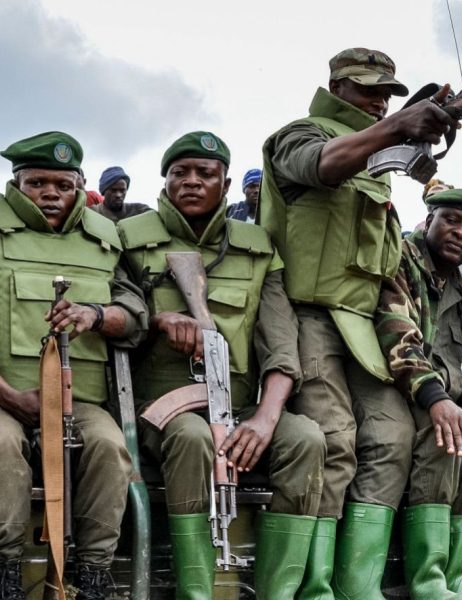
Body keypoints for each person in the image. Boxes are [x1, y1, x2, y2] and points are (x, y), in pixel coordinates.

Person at [259, 47, 457, 597]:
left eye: (387, 94)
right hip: (304, 314)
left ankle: (357, 585)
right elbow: (321, 166)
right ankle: (312, 588)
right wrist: (398, 125)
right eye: (368, 89)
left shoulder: (378, 152)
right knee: (334, 440)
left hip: (364, 323)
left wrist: (420, 131)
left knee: (394, 436)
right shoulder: (299, 134)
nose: (378, 101)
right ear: (337, 87)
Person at [117, 132, 325, 598]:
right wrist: (158, 321)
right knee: (192, 437)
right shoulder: (130, 239)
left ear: (226, 184)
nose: (191, 182)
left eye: (205, 174)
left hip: (238, 406)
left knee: (306, 439)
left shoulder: (257, 247)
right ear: (165, 180)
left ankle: (277, 592)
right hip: (160, 411)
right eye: (180, 173)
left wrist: (266, 419)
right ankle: (196, 591)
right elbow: (116, 314)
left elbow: (281, 343)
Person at [0, 132, 145, 600]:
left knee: (110, 447)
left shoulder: (105, 238)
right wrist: (9, 397)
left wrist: (95, 315)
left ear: (79, 185)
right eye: (37, 183)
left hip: (81, 401)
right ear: (16, 184)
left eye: (63, 185)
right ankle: (5, 575)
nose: (50, 194)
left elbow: (135, 314)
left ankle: (93, 577)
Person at [376, 188, 462, 600]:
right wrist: (439, 400)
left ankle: (456, 584)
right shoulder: (400, 260)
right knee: (448, 437)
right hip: (394, 390)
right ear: (429, 221)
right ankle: (427, 582)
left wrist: (460, 393)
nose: (461, 233)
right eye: (451, 220)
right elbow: (397, 336)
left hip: (433, 398)